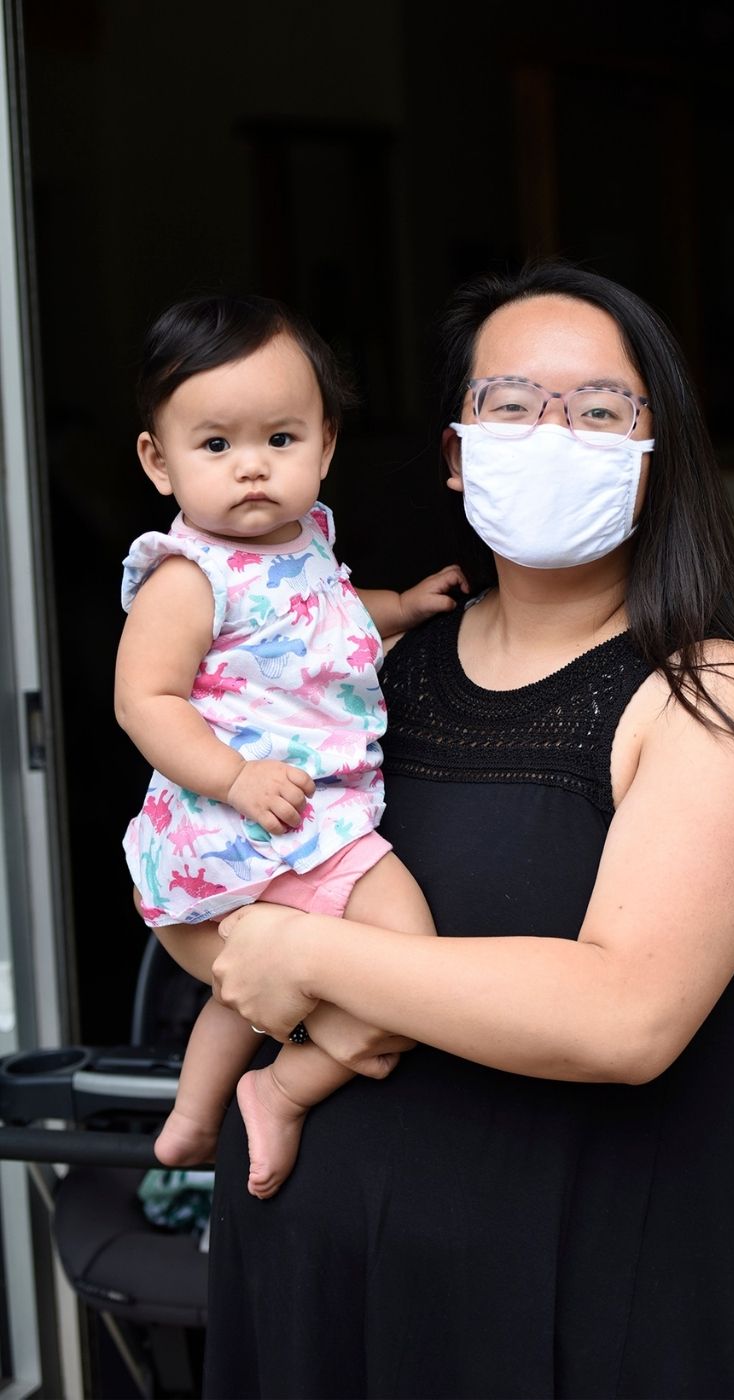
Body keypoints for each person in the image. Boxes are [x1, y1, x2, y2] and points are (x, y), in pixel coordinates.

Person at [182, 258, 734, 1399]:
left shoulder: (706, 697)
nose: (551, 434)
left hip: (567, 1327)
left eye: (600, 410)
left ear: (653, 455)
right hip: (317, 1298)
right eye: (511, 404)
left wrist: (311, 956)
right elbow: (227, 873)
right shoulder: (370, 678)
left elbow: (629, 1015)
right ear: (459, 452)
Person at [115, 292, 466, 1198]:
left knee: (250, 992)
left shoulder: (308, 540)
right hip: (247, 826)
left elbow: (328, 615)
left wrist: (402, 606)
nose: (252, 470)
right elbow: (143, 701)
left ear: (326, 444)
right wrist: (232, 778)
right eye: (216, 445)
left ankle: (195, 1119)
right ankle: (283, 1089)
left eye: (280, 439)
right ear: (159, 461)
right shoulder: (187, 578)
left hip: (310, 818)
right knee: (408, 958)